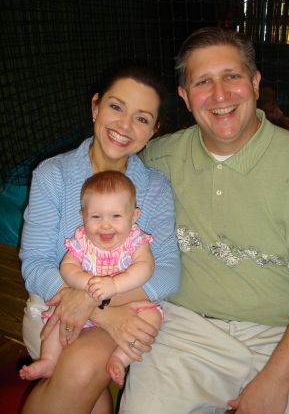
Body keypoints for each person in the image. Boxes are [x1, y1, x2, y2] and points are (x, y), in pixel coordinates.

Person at [119, 27, 289, 414]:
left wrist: (275, 381)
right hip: (188, 332)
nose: (220, 95)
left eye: (232, 76)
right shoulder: (158, 160)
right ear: (186, 97)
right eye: (203, 82)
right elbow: (94, 186)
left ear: (255, 83)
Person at [19, 65, 180, 414]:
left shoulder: (153, 189)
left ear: (154, 130)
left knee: (85, 376)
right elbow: (34, 263)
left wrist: (97, 302)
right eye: (116, 107)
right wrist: (97, 310)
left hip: (127, 311)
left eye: (141, 118)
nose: (124, 126)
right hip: (55, 311)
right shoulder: (53, 175)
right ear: (95, 107)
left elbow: (168, 273)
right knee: (81, 376)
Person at [19, 170, 163, 388]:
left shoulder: (136, 240)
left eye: (116, 216)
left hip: (125, 304)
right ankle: (49, 360)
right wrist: (85, 285)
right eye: (96, 217)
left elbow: (146, 267)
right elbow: (67, 267)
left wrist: (114, 285)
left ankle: (121, 357)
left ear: (134, 216)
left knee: (152, 316)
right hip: (81, 312)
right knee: (57, 319)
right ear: (83, 215)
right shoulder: (82, 240)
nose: (105, 225)